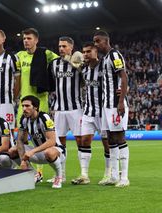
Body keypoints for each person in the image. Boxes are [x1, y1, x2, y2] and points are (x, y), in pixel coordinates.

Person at [16, 28, 59, 179]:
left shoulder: (45, 53)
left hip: (40, 101)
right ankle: (29, 170)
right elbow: (5, 58)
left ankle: (42, 172)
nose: (26, 41)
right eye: (24, 38)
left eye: (29, 38)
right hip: (24, 102)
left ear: (36, 40)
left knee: (42, 138)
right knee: (21, 138)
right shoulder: (19, 56)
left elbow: (61, 60)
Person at [71, 42, 111, 185]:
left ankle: (108, 173)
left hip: (103, 113)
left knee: (107, 144)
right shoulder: (85, 70)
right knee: (84, 142)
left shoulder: (105, 67)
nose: (85, 54)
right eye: (84, 52)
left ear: (96, 52)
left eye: (89, 51)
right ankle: (84, 175)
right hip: (88, 112)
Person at [93, 30, 130, 187]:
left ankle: (124, 178)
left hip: (115, 104)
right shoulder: (104, 59)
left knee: (120, 138)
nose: (96, 44)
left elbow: (123, 76)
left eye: (98, 41)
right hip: (106, 106)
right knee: (111, 140)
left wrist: (120, 102)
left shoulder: (114, 55)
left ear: (106, 40)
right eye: (94, 41)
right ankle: (114, 176)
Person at [47, 36, 83, 183]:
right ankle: (61, 174)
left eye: (64, 46)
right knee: (59, 143)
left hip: (76, 108)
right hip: (59, 109)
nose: (61, 48)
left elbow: (84, 77)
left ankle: (83, 174)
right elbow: (51, 85)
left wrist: (75, 60)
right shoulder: (54, 64)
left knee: (80, 141)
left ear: (71, 47)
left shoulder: (78, 61)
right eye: (60, 46)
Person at [9, 95, 64, 189]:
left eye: (27, 106)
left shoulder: (45, 117)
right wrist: (23, 160)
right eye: (22, 106)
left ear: (35, 107)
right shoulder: (24, 119)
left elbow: (52, 141)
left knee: (49, 152)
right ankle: (34, 175)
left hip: (56, 151)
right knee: (13, 151)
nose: (24, 109)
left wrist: (32, 151)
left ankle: (58, 176)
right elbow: (20, 140)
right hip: (38, 152)